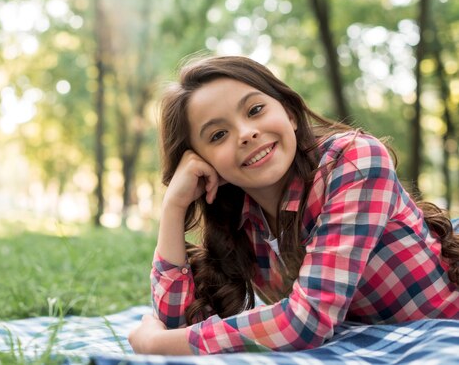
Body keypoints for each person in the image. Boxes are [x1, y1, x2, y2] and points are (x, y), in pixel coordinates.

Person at [128, 55, 459, 355]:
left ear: (288, 113)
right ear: (204, 161)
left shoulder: (354, 161)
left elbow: (307, 320)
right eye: (218, 135)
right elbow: (177, 324)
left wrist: (156, 344)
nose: (245, 133)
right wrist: (173, 206)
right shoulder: (241, 220)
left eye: (255, 110)